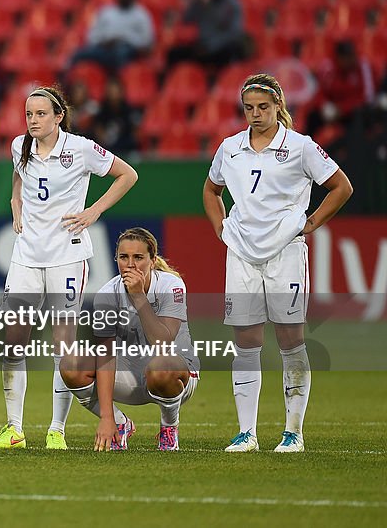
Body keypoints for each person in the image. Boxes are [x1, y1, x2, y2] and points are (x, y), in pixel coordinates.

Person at [203, 74, 353, 453]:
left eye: (263, 107)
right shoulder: (230, 147)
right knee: (246, 342)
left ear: (278, 107)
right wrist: (221, 227)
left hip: (285, 252)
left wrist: (312, 222)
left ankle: (293, 432)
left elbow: (341, 186)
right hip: (241, 253)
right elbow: (211, 189)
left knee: (290, 339)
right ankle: (246, 433)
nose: (255, 114)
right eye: (249, 108)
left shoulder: (301, 147)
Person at [0, 86, 137, 450]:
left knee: (62, 345)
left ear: (58, 116)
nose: (33, 120)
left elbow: (127, 175)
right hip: (26, 255)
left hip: (67, 255)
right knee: (12, 341)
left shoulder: (81, 148)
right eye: (28, 114)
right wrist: (15, 198)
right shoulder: (19, 147)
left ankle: (57, 429)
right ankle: (14, 429)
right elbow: (19, 176)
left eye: (41, 114)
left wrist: (94, 211)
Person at [60, 227, 199, 451]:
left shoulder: (171, 285)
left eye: (138, 257)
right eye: (124, 257)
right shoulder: (107, 295)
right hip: (130, 375)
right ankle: (120, 424)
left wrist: (138, 298)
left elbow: (163, 344)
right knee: (70, 365)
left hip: (175, 376)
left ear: (152, 260)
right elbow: (105, 356)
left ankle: (169, 427)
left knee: (160, 367)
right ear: (116, 260)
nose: (131, 264)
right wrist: (107, 417)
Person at [69, 0, 154, 71]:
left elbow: (147, 41)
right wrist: (103, 42)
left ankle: (115, 80)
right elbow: (93, 35)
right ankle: (61, 82)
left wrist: (125, 39)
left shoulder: (141, 15)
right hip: (104, 47)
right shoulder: (107, 11)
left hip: (128, 48)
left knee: (120, 54)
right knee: (79, 54)